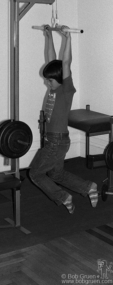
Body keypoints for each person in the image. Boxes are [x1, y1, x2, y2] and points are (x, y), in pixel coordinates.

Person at [29, 25, 98, 214]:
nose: (47, 83)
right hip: (54, 139)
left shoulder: (66, 90)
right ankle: (88, 187)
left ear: (61, 79)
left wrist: (67, 38)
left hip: (56, 141)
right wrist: (48, 35)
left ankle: (63, 196)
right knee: (56, 173)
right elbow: (52, 60)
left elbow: (65, 63)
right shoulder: (54, 87)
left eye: (49, 80)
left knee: (35, 173)